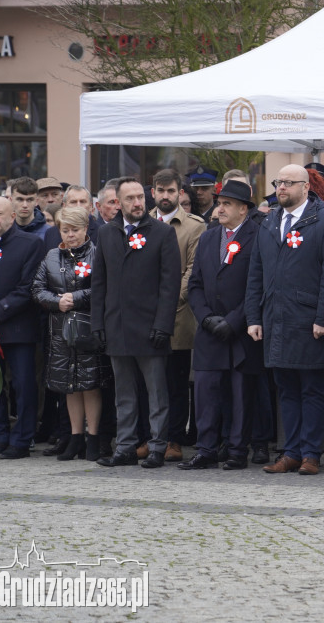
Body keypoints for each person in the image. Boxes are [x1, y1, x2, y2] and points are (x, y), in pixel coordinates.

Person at [246, 164, 324, 475]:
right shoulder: (269, 221)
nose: (281, 188)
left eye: (288, 183)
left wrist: (322, 318)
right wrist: (254, 317)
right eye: (278, 182)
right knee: (286, 388)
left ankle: (311, 453)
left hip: (309, 319)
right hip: (275, 317)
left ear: (306, 187)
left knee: (312, 388)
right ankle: (290, 451)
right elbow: (256, 272)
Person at [91, 177, 181, 468]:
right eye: (130, 198)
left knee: (156, 393)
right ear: (118, 202)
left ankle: (157, 447)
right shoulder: (106, 234)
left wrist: (163, 325)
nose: (138, 203)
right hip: (117, 327)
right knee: (124, 393)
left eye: (140, 197)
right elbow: (99, 282)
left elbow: (170, 286)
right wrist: (98, 325)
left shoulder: (162, 233)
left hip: (150, 328)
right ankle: (126, 447)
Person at [181, 181, 263, 470]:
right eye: (220, 202)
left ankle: (238, 450)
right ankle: (206, 449)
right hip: (209, 331)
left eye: (228, 203)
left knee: (240, 395)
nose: (221, 208)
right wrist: (204, 317)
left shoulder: (258, 236)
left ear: (244, 209)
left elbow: (258, 286)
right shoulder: (208, 237)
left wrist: (235, 320)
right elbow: (195, 284)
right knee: (206, 393)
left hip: (240, 332)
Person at [32, 207, 109, 461]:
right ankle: (75, 438)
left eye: (75, 230)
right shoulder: (52, 255)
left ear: (86, 229)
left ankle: (94, 438)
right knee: (70, 386)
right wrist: (56, 302)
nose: (70, 235)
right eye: (65, 230)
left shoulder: (97, 254)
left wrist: (75, 298)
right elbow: (37, 288)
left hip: (87, 329)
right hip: (60, 331)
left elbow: (103, 287)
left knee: (90, 384)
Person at [149, 168, 206, 462]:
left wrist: (166, 304)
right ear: (153, 193)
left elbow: (192, 272)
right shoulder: (140, 224)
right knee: (147, 381)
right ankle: (150, 437)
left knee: (176, 382)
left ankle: (174, 439)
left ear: (180, 193)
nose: (166, 196)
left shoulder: (194, 227)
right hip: (144, 316)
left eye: (171, 191)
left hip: (178, 317)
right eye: (160, 191)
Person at [0, 197, 46, 459]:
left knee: (23, 385)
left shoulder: (31, 243)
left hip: (18, 327)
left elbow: (29, 287)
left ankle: (22, 439)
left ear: (13, 216)